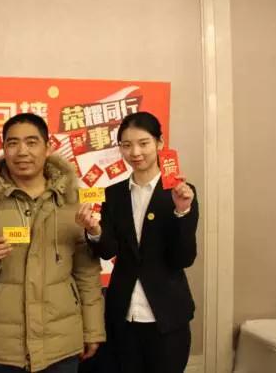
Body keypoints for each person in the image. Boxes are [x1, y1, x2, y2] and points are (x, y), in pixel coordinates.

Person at [0, 112, 106, 373]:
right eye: (13, 143)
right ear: (4, 149)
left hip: (61, 341)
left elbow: (86, 272)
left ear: (48, 147)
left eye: (32, 142)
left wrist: (92, 330)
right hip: (2, 345)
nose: (22, 151)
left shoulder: (73, 201)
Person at [76, 111, 199, 373]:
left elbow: (183, 258)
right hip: (123, 313)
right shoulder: (114, 194)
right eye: (126, 145)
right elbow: (108, 250)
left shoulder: (179, 192)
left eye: (143, 143)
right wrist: (95, 230)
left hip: (167, 315)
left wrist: (182, 212)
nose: (135, 152)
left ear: (159, 143)